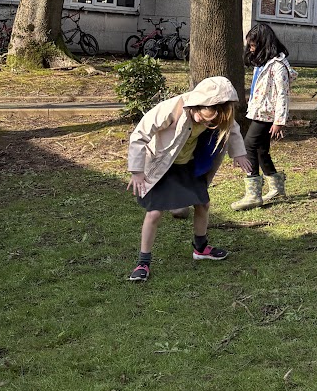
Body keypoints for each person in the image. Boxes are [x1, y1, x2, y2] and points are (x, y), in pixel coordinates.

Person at [125, 77, 252, 281]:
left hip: (188, 164)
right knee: (154, 213)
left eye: (210, 122)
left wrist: (239, 153)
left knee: (203, 203)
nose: (206, 123)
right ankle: (143, 262)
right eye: (203, 119)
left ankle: (200, 248)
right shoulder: (171, 109)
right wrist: (136, 171)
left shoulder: (216, 115)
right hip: (162, 165)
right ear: (197, 105)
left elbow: (232, 128)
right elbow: (139, 135)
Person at [231, 23, 296, 210]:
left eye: (253, 45)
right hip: (260, 111)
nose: (251, 49)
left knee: (248, 145)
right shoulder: (263, 63)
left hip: (267, 115)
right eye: (249, 45)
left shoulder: (278, 66)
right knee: (261, 150)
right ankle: (277, 188)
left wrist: (279, 121)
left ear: (263, 44)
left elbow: (283, 94)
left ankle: (253, 194)